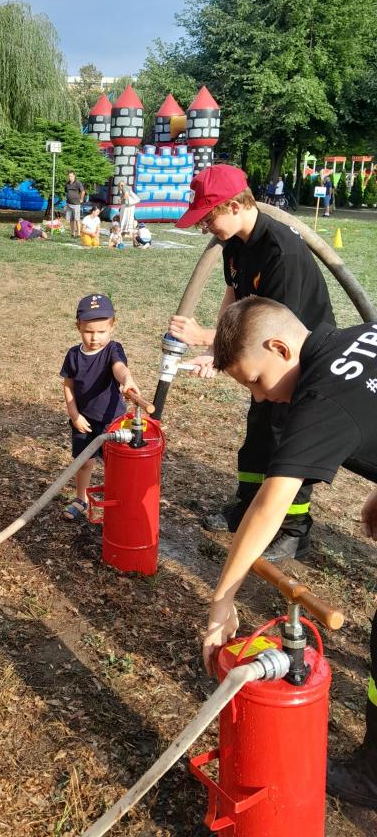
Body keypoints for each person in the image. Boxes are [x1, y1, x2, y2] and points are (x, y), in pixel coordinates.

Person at [204, 296, 377, 810]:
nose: (261, 397)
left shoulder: (323, 398)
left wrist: (221, 601)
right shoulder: (359, 337)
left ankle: (372, 778)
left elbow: (270, 503)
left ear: (280, 347)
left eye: (257, 381)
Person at [169, 164, 335, 561]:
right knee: (258, 434)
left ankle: (294, 530)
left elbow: (271, 329)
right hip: (265, 357)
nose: (205, 227)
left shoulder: (281, 253)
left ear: (234, 205)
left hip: (296, 363)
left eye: (208, 217)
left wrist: (206, 337)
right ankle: (247, 504)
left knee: (288, 440)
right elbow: (235, 301)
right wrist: (219, 350)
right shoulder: (235, 244)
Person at [60, 294, 148, 519]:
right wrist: (74, 415)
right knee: (83, 463)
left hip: (112, 421)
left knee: (115, 465)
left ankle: (117, 502)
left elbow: (119, 367)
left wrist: (127, 379)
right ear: (78, 326)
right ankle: (81, 500)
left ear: (112, 326)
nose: (94, 337)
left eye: (101, 331)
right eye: (88, 331)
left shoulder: (113, 350)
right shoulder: (73, 355)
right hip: (84, 421)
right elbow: (68, 386)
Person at [65, 170, 85, 238]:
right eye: (69, 176)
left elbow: (83, 192)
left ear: (74, 176)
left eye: (71, 176)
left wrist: (81, 199)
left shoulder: (78, 183)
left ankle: (78, 233)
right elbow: (66, 192)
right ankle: (72, 233)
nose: (70, 177)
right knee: (71, 219)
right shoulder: (67, 184)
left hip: (76, 204)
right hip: (69, 203)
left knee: (77, 219)